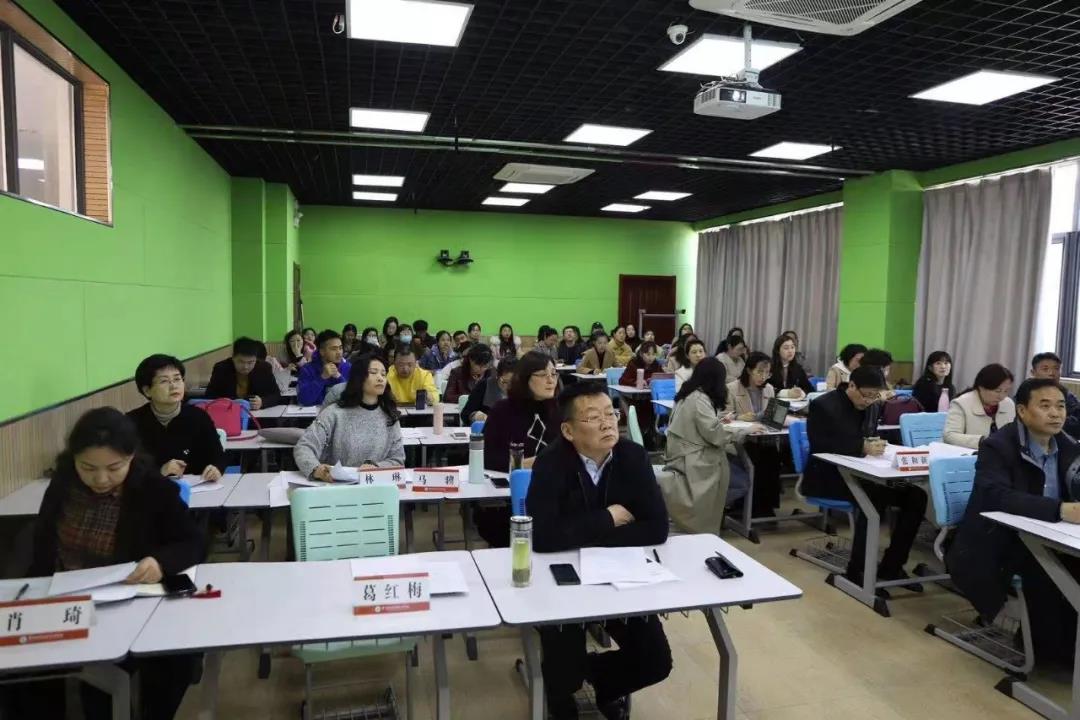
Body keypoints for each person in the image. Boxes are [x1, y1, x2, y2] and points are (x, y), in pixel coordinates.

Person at [13, 407, 205, 720]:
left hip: (126, 604)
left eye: (114, 468)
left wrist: (159, 561)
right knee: (24, 673)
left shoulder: (153, 490)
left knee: (167, 662)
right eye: (87, 467)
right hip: (64, 600)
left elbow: (193, 542)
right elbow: (43, 547)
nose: (100, 479)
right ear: (74, 459)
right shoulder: (63, 484)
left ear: (131, 457)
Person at [528, 383, 672, 719]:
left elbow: (656, 528)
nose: (608, 423)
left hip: (621, 575)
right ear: (568, 431)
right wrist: (609, 518)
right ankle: (563, 693)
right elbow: (543, 537)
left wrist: (581, 534)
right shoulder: (550, 464)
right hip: (563, 581)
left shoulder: (633, 456)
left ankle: (599, 680)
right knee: (564, 675)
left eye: (610, 413)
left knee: (655, 662)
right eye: (594, 417)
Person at [948, 378, 1080, 666]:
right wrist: (1060, 509)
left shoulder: (1069, 445)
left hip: (1052, 536)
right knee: (1050, 570)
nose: (1055, 414)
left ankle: (1064, 647)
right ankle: (1050, 653)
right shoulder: (998, 446)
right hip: (999, 541)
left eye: (1060, 406)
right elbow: (998, 496)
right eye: (1045, 406)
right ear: (1022, 411)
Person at [803, 366, 928, 584]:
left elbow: (868, 435)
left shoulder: (872, 406)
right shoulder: (823, 405)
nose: (869, 401)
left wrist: (875, 444)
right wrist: (861, 446)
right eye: (866, 395)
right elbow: (819, 444)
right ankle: (857, 570)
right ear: (851, 385)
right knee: (873, 499)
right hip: (829, 476)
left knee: (916, 496)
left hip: (866, 474)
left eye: (875, 396)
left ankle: (892, 565)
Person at [663, 357, 757, 533]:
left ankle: (714, 517)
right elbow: (715, 435)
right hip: (692, 460)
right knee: (740, 480)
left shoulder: (689, 393)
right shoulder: (699, 399)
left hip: (683, 453)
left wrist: (720, 421)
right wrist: (745, 430)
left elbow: (705, 426)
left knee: (732, 465)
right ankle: (706, 523)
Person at [477, 352, 560, 547]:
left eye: (554, 374)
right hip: (507, 499)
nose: (551, 380)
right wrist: (524, 464)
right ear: (525, 378)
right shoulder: (502, 410)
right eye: (543, 375)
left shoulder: (561, 410)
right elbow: (487, 458)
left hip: (554, 495)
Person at [294, 355, 405, 479]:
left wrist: (376, 467)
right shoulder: (334, 413)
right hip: (334, 484)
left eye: (383, 374)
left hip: (374, 484)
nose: (380, 378)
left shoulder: (390, 415)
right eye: (373, 373)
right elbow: (304, 446)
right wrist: (316, 469)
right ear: (359, 378)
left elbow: (397, 459)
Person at [128, 354, 223, 482]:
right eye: (164, 381)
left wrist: (216, 469)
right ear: (147, 390)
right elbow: (127, 470)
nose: (174, 386)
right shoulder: (131, 422)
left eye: (177, 379)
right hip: (151, 490)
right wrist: (160, 472)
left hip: (198, 489)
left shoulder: (198, 417)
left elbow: (218, 457)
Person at [726, 352, 783, 517]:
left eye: (767, 373)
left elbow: (772, 417)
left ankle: (766, 506)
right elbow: (723, 417)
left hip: (764, 438)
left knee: (773, 457)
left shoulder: (769, 389)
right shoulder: (732, 388)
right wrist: (739, 417)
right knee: (758, 458)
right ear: (749, 370)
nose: (763, 376)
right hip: (741, 441)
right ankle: (747, 506)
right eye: (760, 372)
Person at [944, 364, 1016, 449]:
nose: (1002, 396)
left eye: (1006, 391)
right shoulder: (961, 403)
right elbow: (950, 436)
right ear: (981, 387)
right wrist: (981, 441)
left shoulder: (1008, 404)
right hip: (971, 454)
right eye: (997, 391)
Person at [205, 336, 282, 410]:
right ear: (233, 357)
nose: (245, 367)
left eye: (250, 362)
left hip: (257, 414)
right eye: (241, 362)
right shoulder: (221, 369)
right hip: (229, 412)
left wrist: (262, 402)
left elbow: (276, 395)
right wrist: (230, 402)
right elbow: (209, 396)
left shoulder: (264, 368)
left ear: (256, 359)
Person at [297, 330, 352, 406]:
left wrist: (339, 377)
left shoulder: (348, 367)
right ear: (322, 351)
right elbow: (304, 400)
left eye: (340, 348)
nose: (339, 352)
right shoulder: (307, 369)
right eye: (334, 349)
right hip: (315, 412)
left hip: (340, 412)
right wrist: (322, 378)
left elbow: (352, 398)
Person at [1030, 352, 1080, 435]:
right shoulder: (1026, 393)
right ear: (1033, 372)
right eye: (1045, 369)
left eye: (1056, 369)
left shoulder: (1066, 394)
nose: (1051, 373)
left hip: (1063, 437)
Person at [463, 356, 515, 423]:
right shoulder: (484, 385)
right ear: (497, 376)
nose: (509, 386)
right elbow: (465, 414)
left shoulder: (522, 390)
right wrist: (475, 416)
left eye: (513, 382)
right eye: (505, 382)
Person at [769, 334, 812, 399]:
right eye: (786, 348)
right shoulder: (769, 367)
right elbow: (763, 389)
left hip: (794, 404)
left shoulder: (798, 368)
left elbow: (809, 389)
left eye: (792, 347)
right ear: (777, 350)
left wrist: (802, 393)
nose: (790, 351)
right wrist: (786, 393)